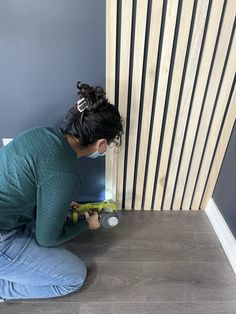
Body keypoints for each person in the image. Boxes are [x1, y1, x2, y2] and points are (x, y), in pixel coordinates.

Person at [0, 82, 124, 301]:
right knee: (74, 277)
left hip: (7, 218)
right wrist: (86, 224)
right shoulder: (65, 175)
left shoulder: (41, 133)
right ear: (101, 144)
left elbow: (28, 182)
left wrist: (58, 202)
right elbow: (46, 239)